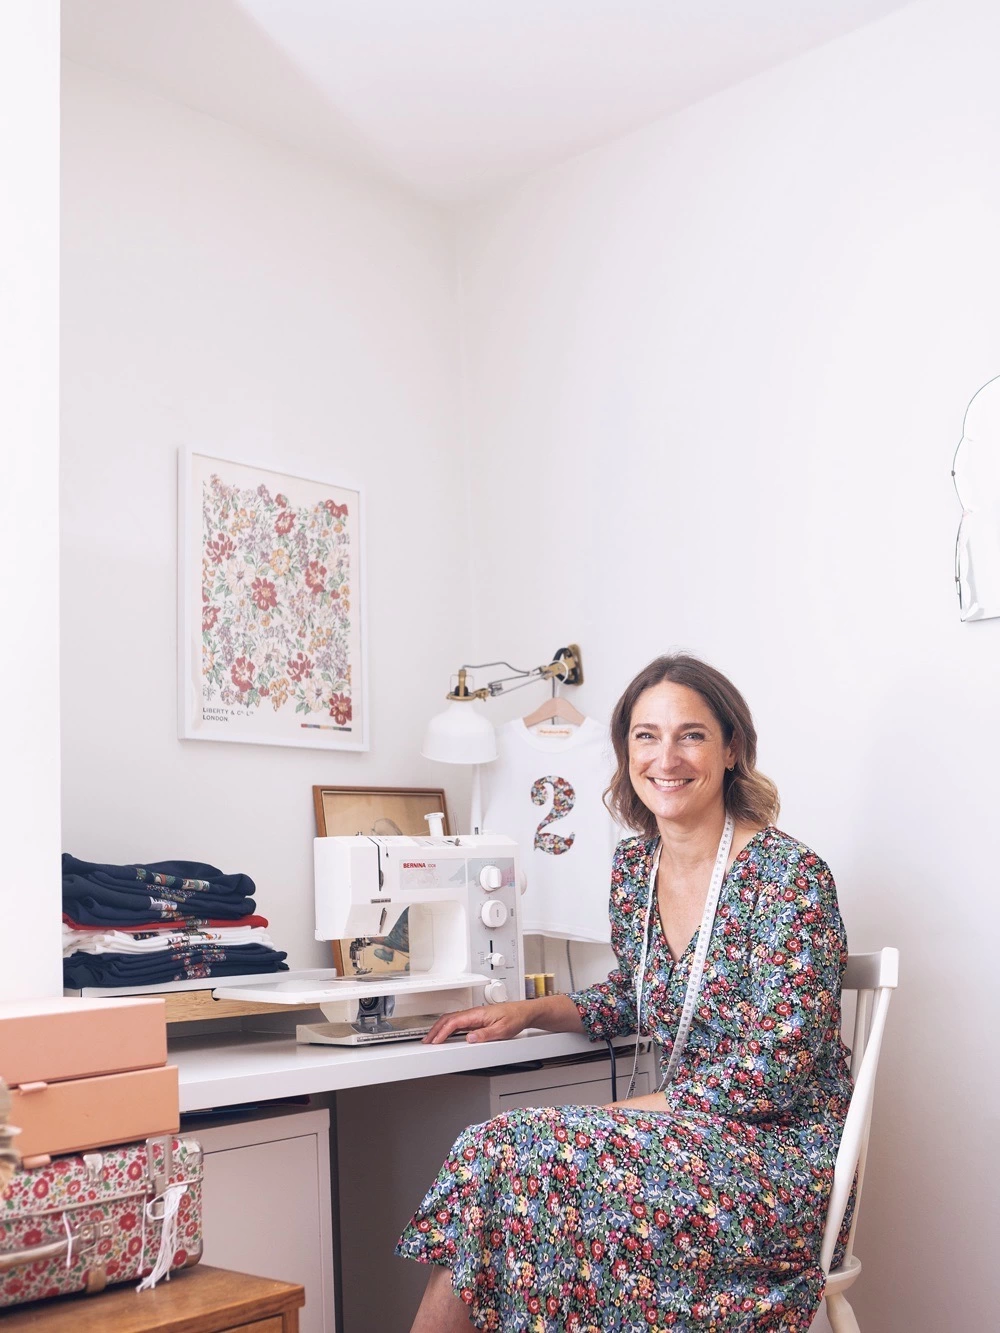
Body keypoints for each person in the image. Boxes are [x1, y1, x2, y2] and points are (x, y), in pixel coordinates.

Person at [397, 654, 853, 1332]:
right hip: (682, 1143)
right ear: (625, 751)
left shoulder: (790, 878)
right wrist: (529, 1011)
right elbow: (641, 995)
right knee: (506, 1159)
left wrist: (629, 1113)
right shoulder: (636, 867)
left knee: (512, 1152)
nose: (665, 756)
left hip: (775, 1163)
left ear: (732, 749)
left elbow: (769, 1079)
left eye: (690, 734)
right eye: (646, 735)